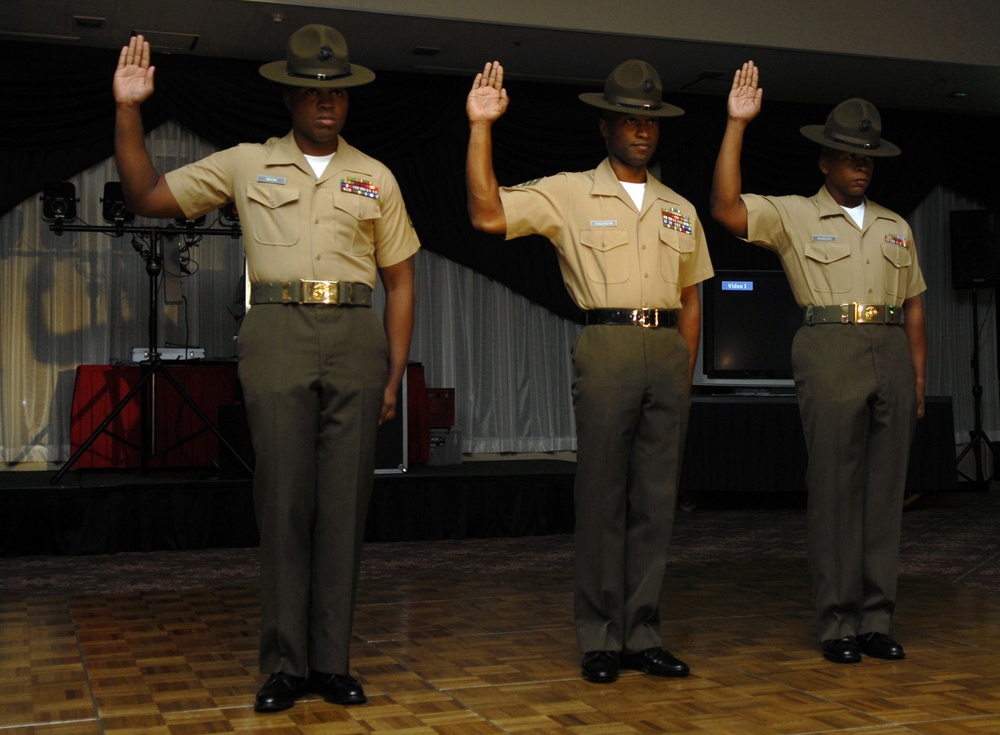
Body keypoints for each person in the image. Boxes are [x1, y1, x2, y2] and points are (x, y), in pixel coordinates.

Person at [113, 25, 419, 710]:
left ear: (348, 99)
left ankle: (330, 662)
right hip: (277, 330)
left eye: (336, 92)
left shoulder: (377, 177)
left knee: (345, 507)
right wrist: (129, 109)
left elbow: (400, 280)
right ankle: (284, 662)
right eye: (312, 91)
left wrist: (393, 374)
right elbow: (147, 195)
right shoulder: (247, 163)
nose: (325, 103)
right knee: (283, 502)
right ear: (288, 95)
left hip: (355, 332)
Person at [466, 60, 714, 683]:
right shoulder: (570, 191)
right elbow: (487, 215)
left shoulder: (679, 207)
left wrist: (683, 370)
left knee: (656, 502)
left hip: (666, 353)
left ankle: (643, 633)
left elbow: (691, 299)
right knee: (602, 497)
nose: (641, 130)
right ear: (605, 127)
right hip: (606, 345)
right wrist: (480, 128)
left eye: (650, 120)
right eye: (629, 119)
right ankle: (600, 637)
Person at [711, 61, 927, 664]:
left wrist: (916, 376)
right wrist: (735, 125)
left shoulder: (895, 226)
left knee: (885, 494)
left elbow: (914, 307)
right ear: (824, 161)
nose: (861, 165)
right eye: (849, 156)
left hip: (888, 348)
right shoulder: (794, 214)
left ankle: (875, 617)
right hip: (829, 347)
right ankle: (836, 623)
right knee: (835, 489)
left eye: (868, 157)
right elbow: (726, 207)